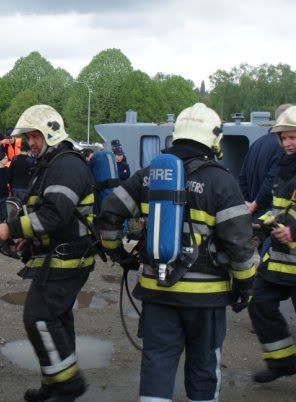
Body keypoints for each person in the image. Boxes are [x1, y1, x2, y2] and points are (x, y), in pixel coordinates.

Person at [99, 103, 255, 401]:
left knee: (157, 365)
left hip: (158, 293)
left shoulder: (147, 175)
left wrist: (118, 253)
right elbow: (240, 244)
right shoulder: (222, 181)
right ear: (213, 139)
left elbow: (109, 213)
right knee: (204, 368)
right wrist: (245, 287)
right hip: (206, 301)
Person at [0, 105, 95, 401]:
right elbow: (44, 213)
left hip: (67, 259)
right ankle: (55, 386)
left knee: (39, 317)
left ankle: (68, 383)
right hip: (61, 256)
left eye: (34, 136)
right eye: (28, 137)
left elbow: (54, 215)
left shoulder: (65, 166)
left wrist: (12, 230)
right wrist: (26, 239)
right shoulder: (52, 164)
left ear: (51, 132)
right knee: (57, 320)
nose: (29, 143)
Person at [248, 105, 296, 383]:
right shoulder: (285, 166)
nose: (289, 143)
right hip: (281, 258)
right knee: (259, 304)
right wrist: (258, 221)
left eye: (294, 137)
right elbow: (280, 207)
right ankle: (282, 362)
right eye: (285, 138)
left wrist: (294, 231)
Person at [239, 104, 292, 220]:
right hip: (269, 216)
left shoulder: (256, 143)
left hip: (252, 214)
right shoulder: (283, 149)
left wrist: (247, 204)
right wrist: (255, 205)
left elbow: (242, 177)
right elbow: (271, 181)